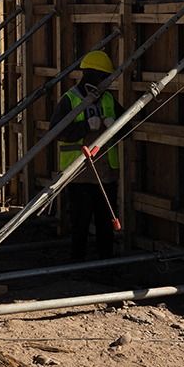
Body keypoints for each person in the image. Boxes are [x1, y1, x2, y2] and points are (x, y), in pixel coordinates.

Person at [50, 50, 119, 260]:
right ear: (90, 75)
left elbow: (128, 125)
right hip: (79, 173)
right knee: (80, 222)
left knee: (105, 222)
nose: (105, 82)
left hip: (105, 173)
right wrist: (84, 126)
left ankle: (105, 264)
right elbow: (57, 131)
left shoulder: (108, 99)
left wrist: (114, 125)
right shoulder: (70, 100)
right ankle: (78, 263)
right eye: (103, 77)